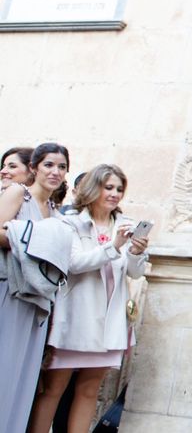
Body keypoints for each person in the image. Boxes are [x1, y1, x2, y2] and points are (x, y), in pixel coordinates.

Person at [28, 163, 150, 433]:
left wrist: (136, 252)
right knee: (53, 390)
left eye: (119, 189)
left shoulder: (125, 225)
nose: (115, 194)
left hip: (109, 321)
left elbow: (135, 272)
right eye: (109, 187)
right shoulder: (69, 223)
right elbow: (73, 264)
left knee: (88, 391)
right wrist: (114, 246)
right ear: (94, 187)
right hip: (77, 318)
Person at [0, 142, 70, 433]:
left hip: (38, 301)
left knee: (21, 377)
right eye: (49, 165)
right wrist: (36, 241)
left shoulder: (56, 213)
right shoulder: (19, 193)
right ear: (34, 168)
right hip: (8, 292)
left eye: (62, 167)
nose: (55, 172)